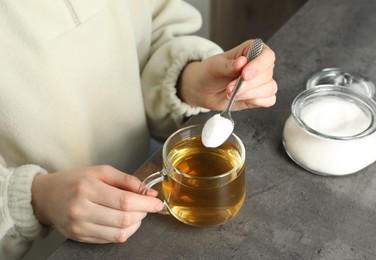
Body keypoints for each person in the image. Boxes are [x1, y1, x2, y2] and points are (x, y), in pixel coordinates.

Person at [0, 0, 277, 259]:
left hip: (140, 191)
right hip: (49, 247)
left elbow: (153, 28)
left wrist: (188, 80)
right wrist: (33, 198)